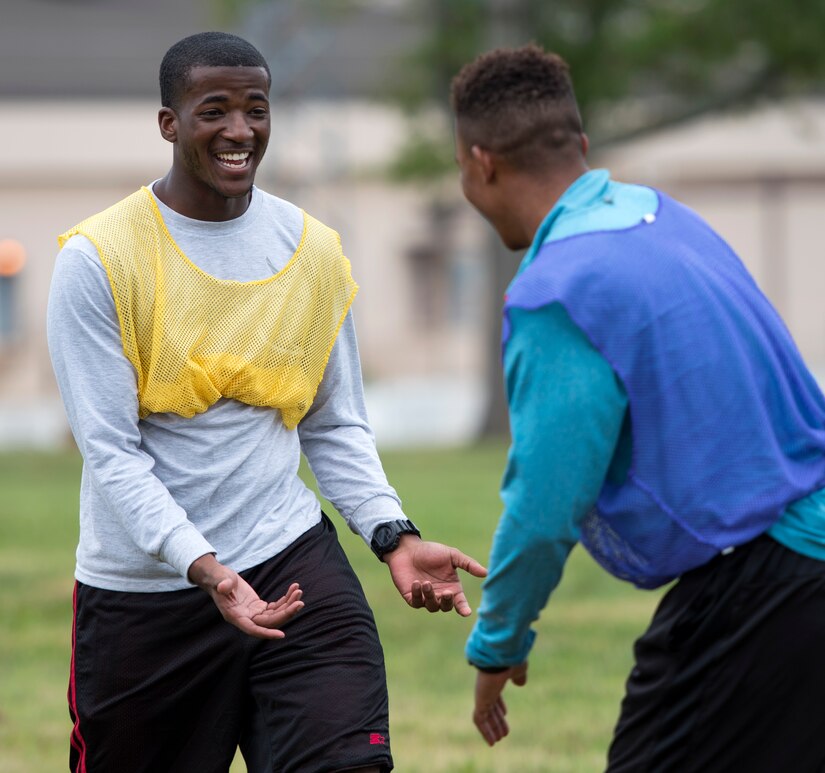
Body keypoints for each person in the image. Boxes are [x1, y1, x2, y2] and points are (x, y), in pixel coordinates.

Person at [47, 31, 486, 773]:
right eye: (213, 110)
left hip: (290, 561)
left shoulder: (309, 248)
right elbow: (110, 452)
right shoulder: (100, 259)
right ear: (169, 123)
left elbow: (333, 420)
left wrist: (392, 533)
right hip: (148, 600)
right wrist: (210, 570)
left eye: (256, 109)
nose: (240, 130)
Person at [451, 44, 825, 772]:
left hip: (760, 583)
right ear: (581, 147)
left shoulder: (556, 290)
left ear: (479, 163)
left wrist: (499, 640)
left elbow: (544, 502)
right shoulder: (662, 216)